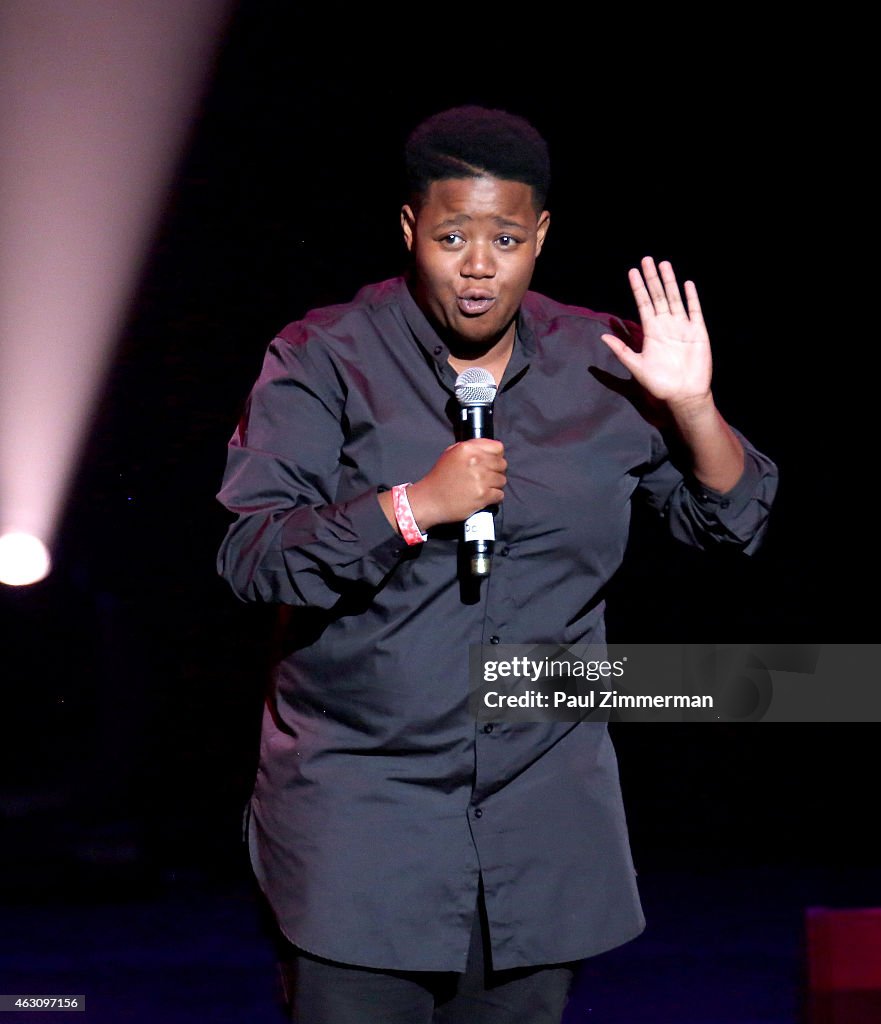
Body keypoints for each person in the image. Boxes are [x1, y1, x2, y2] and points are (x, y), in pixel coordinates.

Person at [215, 105, 778, 1023]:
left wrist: (693, 407)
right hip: (364, 818)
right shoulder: (323, 357)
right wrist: (413, 506)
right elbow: (252, 555)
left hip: (540, 823)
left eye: (506, 238)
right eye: (451, 237)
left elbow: (729, 524)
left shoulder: (602, 365)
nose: (479, 266)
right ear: (409, 230)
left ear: (540, 236)